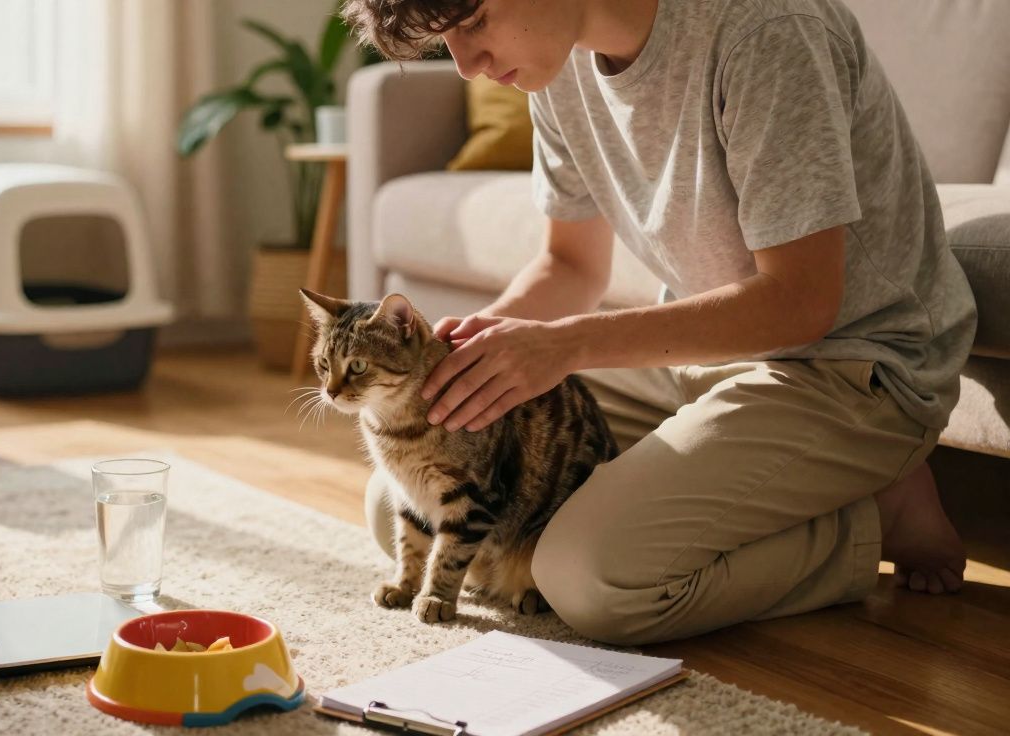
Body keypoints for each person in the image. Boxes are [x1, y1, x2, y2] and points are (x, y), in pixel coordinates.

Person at [341, 0, 976, 645]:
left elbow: (802, 302)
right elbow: (569, 265)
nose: (467, 66)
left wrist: (562, 347)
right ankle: (771, 487)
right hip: (699, 358)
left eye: (472, 23)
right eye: (445, 40)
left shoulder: (766, 29)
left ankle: (871, 515)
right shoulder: (555, 61)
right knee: (403, 500)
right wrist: (478, 352)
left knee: (591, 581)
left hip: (848, 363)